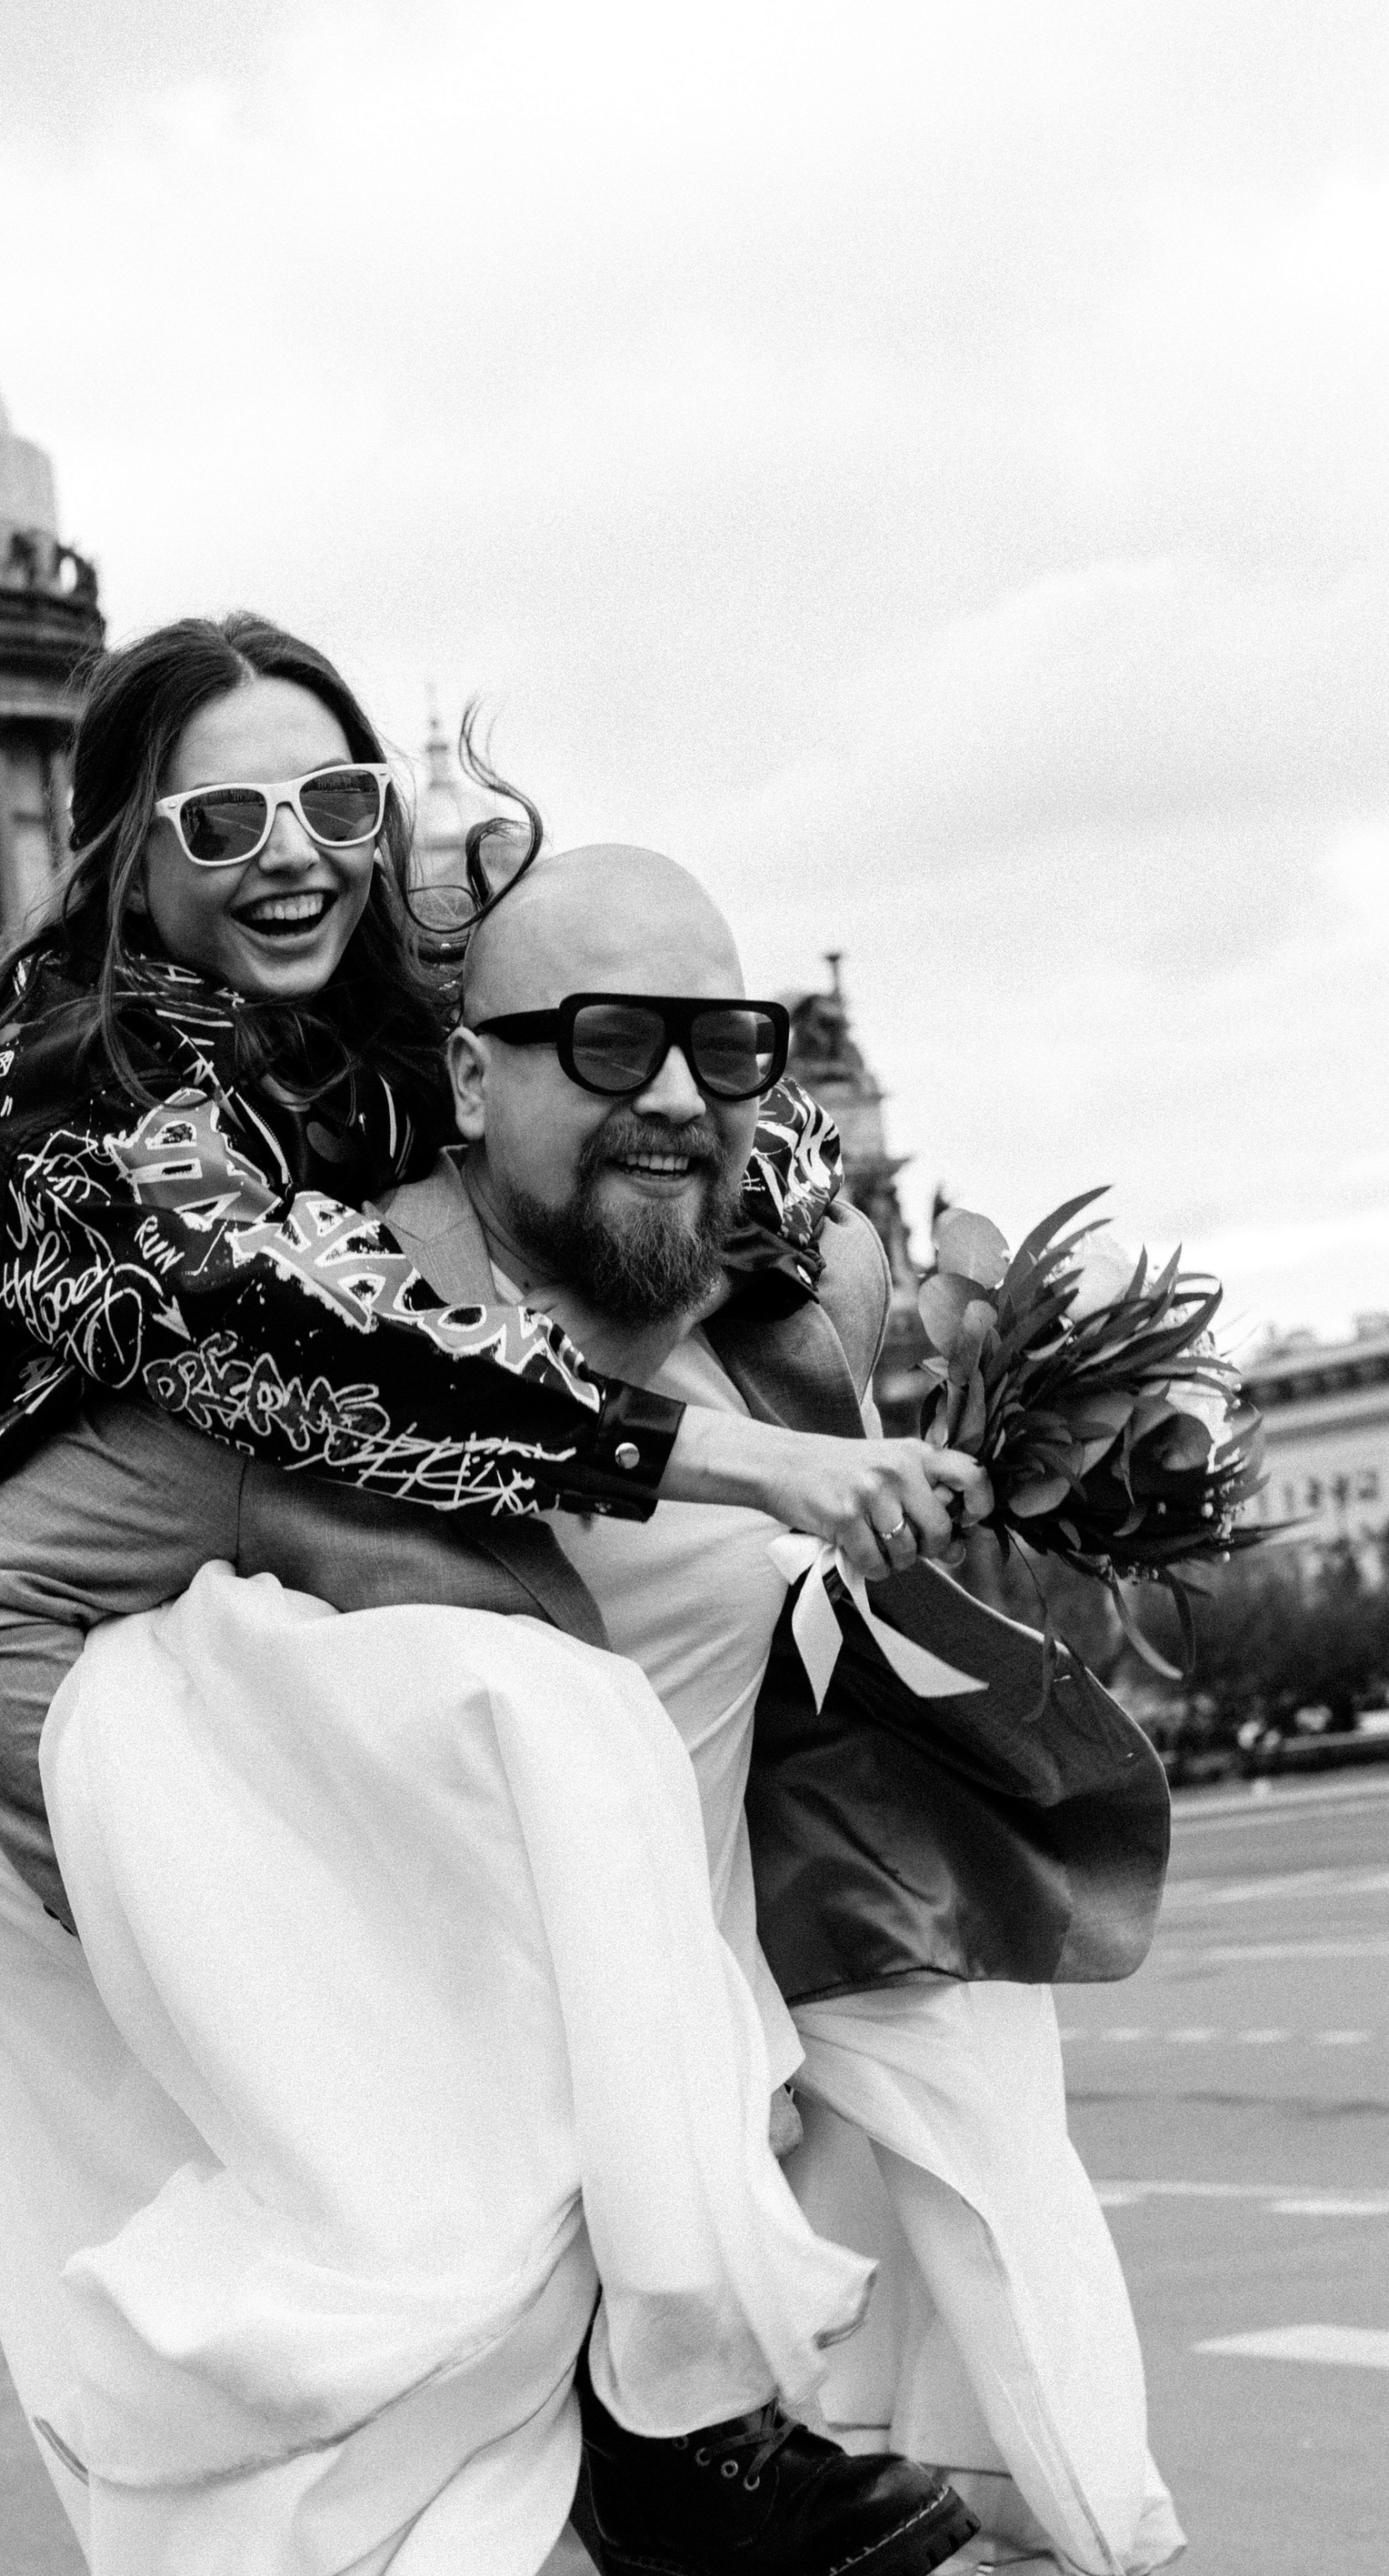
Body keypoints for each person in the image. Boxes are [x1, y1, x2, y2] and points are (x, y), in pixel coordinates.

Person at [0, 616, 988, 2576]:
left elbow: (704, 1127)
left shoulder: (394, 1018)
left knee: (579, 1837)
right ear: (124, 846)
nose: (293, 855)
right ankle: (645, 2424)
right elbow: (320, 1345)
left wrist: (623, 1047)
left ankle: (662, 2407)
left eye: (336, 801)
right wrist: (757, 1459)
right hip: (79, 1606)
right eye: (225, 820)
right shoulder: (62, 1087)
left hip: (298, 1535)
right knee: (443, 1988)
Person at [444, 852, 1184, 2576]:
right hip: (528, 2115)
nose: (672, 1092)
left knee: (1018, 2413)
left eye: (722, 1044)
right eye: (608, 1041)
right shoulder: (377, 1345)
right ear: (469, 1073)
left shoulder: (795, 1289)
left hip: (782, 2000)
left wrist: (989, 1471)